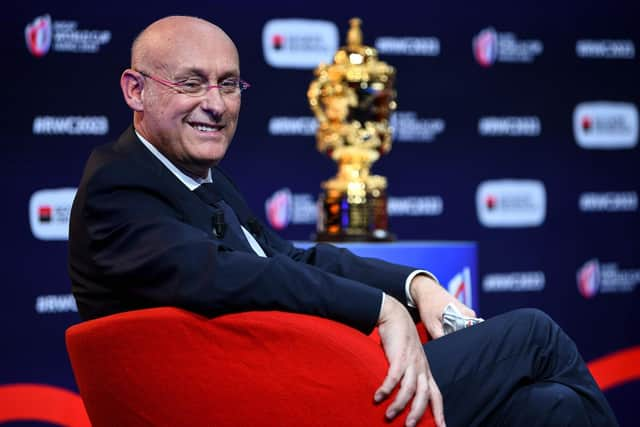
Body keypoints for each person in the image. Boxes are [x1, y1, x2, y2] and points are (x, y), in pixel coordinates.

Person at [68, 15, 618, 427]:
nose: (215, 103)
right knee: (533, 333)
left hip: (296, 386)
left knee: (553, 407)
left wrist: (413, 285)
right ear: (135, 90)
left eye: (229, 84)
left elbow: (293, 259)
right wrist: (379, 309)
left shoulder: (201, 178)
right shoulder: (120, 185)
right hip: (275, 405)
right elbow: (223, 273)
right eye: (191, 83)